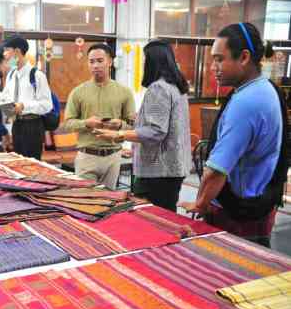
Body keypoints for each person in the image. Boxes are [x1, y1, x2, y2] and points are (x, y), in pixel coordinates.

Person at [178, 23, 288, 247]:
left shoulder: (246, 102)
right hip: (260, 206)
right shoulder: (266, 89)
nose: (213, 67)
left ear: (244, 57)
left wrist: (200, 204)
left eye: (220, 59)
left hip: (238, 214)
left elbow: (217, 170)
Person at [94, 40, 191, 211]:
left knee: (153, 218)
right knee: (165, 215)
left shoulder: (158, 88)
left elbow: (156, 131)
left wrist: (119, 135)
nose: (144, 64)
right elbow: (163, 121)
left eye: (146, 60)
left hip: (159, 170)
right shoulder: (176, 87)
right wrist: (127, 123)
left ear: (153, 62)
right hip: (174, 167)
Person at [63, 43, 135, 190]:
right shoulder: (78, 92)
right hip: (86, 156)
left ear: (110, 62)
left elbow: (132, 124)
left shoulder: (125, 92)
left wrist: (119, 125)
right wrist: (86, 123)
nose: (95, 65)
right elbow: (67, 123)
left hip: (113, 156)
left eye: (100, 61)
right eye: (91, 61)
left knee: (109, 204)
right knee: (85, 204)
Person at [1, 35, 53, 160]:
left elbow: (47, 105)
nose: (4, 54)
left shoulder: (37, 75)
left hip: (32, 126)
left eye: (7, 50)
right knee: (18, 164)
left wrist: (24, 106)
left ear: (17, 52)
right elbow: (6, 101)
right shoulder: (11, 75)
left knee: (32, 167)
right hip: (16, 125)